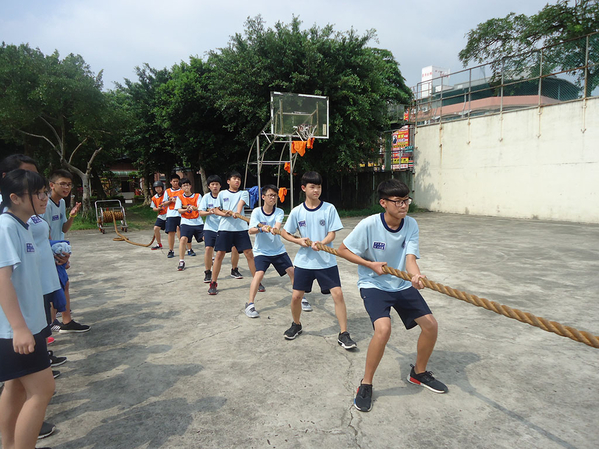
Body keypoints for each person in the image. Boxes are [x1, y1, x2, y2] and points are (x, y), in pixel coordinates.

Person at [337, 179, 448, 412]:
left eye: (406, 200)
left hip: (401, 284)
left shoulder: (411, 225)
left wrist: (416, 277)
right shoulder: (369, 225)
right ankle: (366, 384)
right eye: (398, 202)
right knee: (383, 329)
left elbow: (410, 259)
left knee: (430, 326)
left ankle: (418, 372)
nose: (403, 206)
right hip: (373, 284)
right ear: (383, 203)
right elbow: (342, 250)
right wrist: (370, 264)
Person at [0, 169, 56, 449]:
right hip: (17, 330)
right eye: (37, 193)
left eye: (44, 191)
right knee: (43, 391)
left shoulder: (22, 225)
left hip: (29, 324)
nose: (44, 197)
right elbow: (2, 280)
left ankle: (9, 444)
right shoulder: (6, 227)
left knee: (16, 387)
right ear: (14, 198)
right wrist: (20, 329)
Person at [280, 171, 356, 350]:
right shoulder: (297, 211)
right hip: (304, 262)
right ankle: (296, 325)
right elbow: (285, 232)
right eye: (312, 187)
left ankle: (344, 333)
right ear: (303, 188)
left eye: (319, 187)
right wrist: (298, 240)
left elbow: (332, 233)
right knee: (297, 296)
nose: (316, 190)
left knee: (338, 294)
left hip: (326, 261)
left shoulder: (329, 208)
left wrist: (322, 242)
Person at [245, 185, 311, 318]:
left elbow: (277, 226)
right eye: (270, 195)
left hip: (278, 250)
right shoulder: (257, 212)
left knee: (292, 272)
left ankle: (300, 297)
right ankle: (250, 304)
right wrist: (261, 229)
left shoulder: (279, 212)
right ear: (263, 197)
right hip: (261, 252)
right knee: (259, 274)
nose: (272, 198)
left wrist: (273, 229)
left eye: (275, 196)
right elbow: (251, 230)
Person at [44, 169, 90, 334]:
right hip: (50, 251)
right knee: (56, 286)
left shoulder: (61, 203)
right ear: (51, 185)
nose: (66, 187)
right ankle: (58, 322)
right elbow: (45, 232)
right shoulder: (45, 204)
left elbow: (63, 228)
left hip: (58, 250)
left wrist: (72, 216)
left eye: (69, 184)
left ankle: (62, 320)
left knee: (62, 285)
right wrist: (57, 254)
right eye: (62, 184)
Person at [208, 171, 256, 295]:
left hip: (240, 229)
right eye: (234, 179)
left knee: (249, 253)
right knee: (219, 254)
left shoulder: (243, 193)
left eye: (239, 179)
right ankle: (213, 282)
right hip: (224, 229)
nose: (237, 181)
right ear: (228, 181)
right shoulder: (222, 193)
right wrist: (225, 214)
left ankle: (257, 281)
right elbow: (216, 210)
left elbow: (240, 204)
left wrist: (237, 213)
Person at [199, 175, 241, 283]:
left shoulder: (225, 196)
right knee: (209, 248)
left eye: (217, 184)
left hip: (225, 228)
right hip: (210, 228)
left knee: (235, 248)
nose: (215, 186)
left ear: (220, 186)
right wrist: (210, 212)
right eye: (212, 184)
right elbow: (200, 213)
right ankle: (208, 272)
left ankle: (234, 269)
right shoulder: (206, 197)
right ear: (209, 186)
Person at [175, 178, 203, 271]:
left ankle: (212, 257)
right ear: (181, 187)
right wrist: (186, 209)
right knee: (183, 239)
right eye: (184, 185)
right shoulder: (179, 197)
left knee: (206, 238)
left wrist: (194, 208)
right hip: (186, 222)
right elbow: (179, 210)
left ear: (190, 186)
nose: (186, 187)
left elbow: (199, 207)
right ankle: (181, 260)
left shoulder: (198, 196)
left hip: (198, 221)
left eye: (187, 185)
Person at [163, 173, 194, 259]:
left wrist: (177, 200)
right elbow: (164, 204)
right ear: (171, 182)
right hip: (171, 214)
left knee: (185, 232)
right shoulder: (167, 191)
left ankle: (189, 249)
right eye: (174, 181)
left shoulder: (182, 190)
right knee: (171, 232)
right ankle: (171, 250)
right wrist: (170, 201)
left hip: (182, 214)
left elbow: (186, 199)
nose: (176, 183)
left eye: (177, 181)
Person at [150, 180, 167, 250]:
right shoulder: (154, 198)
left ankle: (185, 245)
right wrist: (157, 209)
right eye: (156, 188)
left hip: (169, 215)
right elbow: (153, 208)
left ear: (162, 187)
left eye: (159, 187)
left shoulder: (166, 194)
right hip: (161, 215)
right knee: (156, 228)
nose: (158, 189)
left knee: (176, 230)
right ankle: (159, 243)